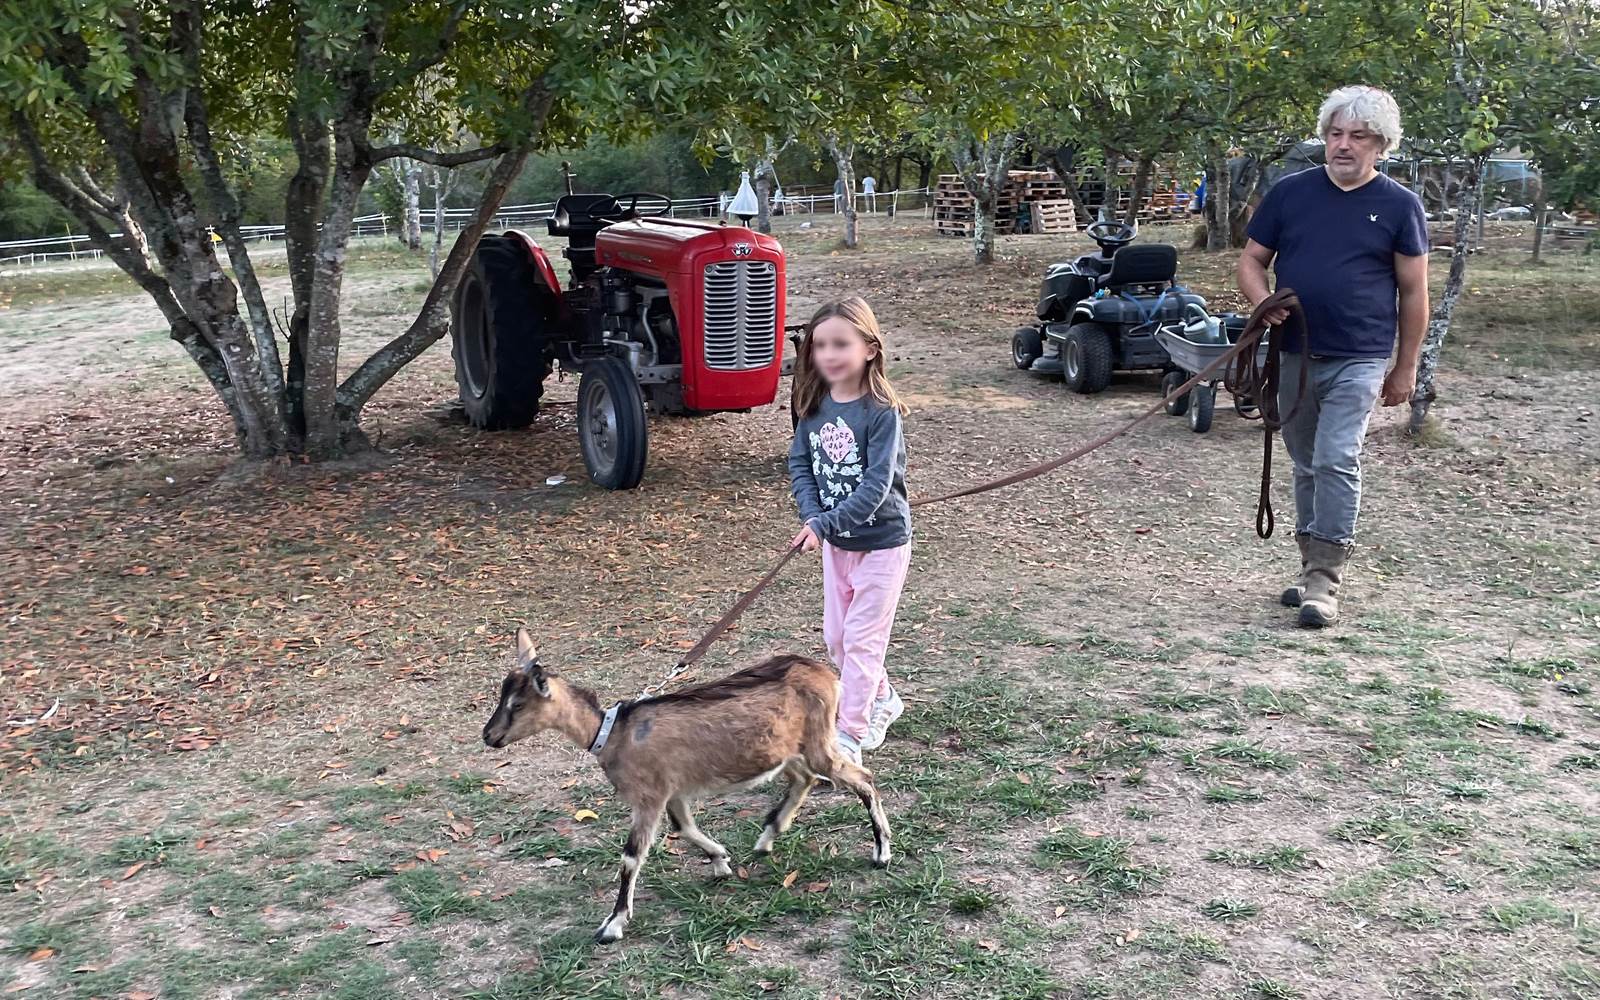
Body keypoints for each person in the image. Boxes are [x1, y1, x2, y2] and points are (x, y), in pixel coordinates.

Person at [1236, 85, 1430, 628]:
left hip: (1360, 354)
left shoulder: (1399, 205)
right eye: (1335, 134)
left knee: (1336, 458)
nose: (1343, 145)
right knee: (1304, 462)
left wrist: (1405, 365)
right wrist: (1263, 301)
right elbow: (1251, 261)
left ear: (1381, 144)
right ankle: (1309, 568)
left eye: (1357, 136)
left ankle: (1325, 580)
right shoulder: (1291, 193)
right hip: (1293, 352)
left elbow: (1414, 291)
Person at [787, 297, 912, 764]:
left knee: (862, 641)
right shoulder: (814, 404)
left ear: (870, 349)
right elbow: (800, 463)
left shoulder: (881, 412)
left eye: (841, 343)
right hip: (836, 544)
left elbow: (878, 485)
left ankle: (850, 736)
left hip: (881, 543)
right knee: (837, 638)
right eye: (820, 345)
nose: (828, 354)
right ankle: (883, 696)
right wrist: (812, 516)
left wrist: (826, 522)